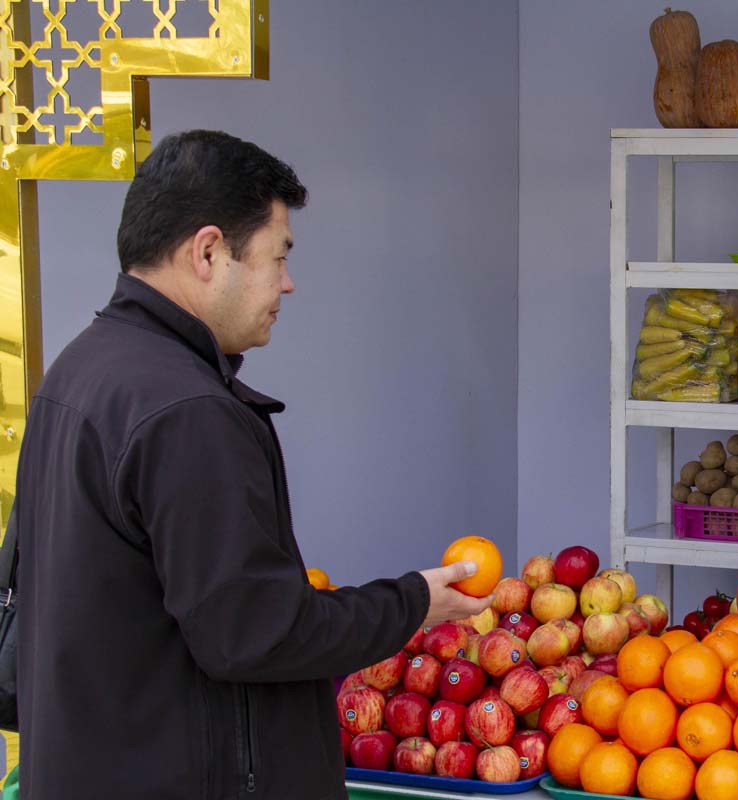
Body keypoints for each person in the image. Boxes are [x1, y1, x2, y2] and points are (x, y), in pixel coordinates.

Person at [8, 130, 492, 799]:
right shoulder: (186, 410)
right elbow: (256, 634)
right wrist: (412, 602)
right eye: (277, 256)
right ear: (209, 252)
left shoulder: (78, 370)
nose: (288, 284)